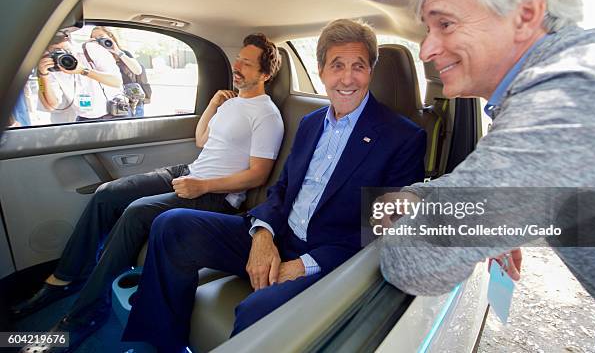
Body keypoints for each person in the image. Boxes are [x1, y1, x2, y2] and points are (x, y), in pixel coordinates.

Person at [120, 18, 427, 352]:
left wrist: (301, 266)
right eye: (337, 65)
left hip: (327, 257)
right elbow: (282, 189)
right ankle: (160, 344)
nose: (348, 78)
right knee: (171, 224)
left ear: (371, 71)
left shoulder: (403, 138)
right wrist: (263, 234)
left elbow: (382, 232)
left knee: (256, 311)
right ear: (322, 70)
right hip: (279, 235)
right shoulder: (310, 124)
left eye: (359, 66)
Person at [376, 0, 595, 349]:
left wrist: (465, 217)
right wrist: (426, 197)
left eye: (445, 24)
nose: (427, 49)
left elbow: (413, 261)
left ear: (525, 14)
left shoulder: (564, 100)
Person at [14, 33, 285, 351]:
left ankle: (84, 315)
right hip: (189, 171)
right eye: (238, 58)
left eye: (247, 63)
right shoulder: (233, 103)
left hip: (216, 194)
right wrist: (213, 104)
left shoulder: (267, 115)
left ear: (264, 74)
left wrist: (203, 186)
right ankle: (64, 278)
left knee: (137, 211)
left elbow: (258, 174)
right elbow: (202, 140)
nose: (237, 66)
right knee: (108, 193)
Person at [37, 31, 123, 122]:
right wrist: (43, 75)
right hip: (84, 119)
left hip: (114, 114)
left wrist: (83, 70)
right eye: (57, 51)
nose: (64, 55)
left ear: (71, 43)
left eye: (66, 49)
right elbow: (51, 105)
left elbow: (117, 82)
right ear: (48, 51)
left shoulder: (91, 49)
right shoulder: (52, 65)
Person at [90, 26, 152, 117]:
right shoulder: (93, 58)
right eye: (94, 38)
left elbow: (138, 70)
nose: (98, 40)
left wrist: (117, 51)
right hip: (112, 104)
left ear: (110, 36)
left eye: (101, 36)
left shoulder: (123, 53)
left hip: (133, 101)